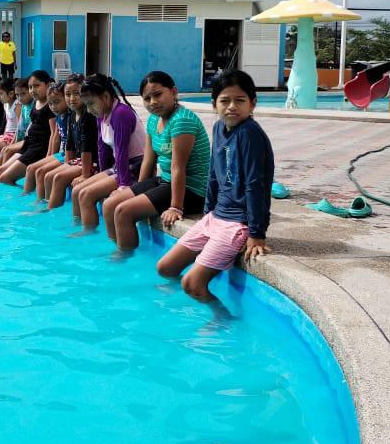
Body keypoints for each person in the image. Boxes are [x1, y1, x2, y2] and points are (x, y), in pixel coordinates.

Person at [156, 70, 274, 305]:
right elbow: (213, 174)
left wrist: (257, 234)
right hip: (215, 217)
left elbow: (256, 185)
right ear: (214, 104)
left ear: (252, 104)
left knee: (192, 284)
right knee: (165, 268)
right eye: (225, 101)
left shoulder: (250, 134)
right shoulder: (219, 127)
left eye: (240, 100)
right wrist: (207, 214)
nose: (232, 107)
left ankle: (223, 319)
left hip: (237, 223)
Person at [103, 71, 211, 250]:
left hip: (192, 189)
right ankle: (119, 249)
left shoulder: (182, 120)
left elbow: (178, 168)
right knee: (109, 205)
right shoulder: (154, 119)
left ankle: (125, 259)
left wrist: (175, 207)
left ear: (174, 92)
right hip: (166, 181)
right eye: (147, 98)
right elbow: (148, 159)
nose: (153, 102)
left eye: (158, 94)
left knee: (123, 212)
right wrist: (137, 189)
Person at [70, 74, 146, 230]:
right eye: (87, 105)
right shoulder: (102, 114)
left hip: (136, 167)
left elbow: (121, 150)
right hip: (120, 166)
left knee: (86, 195)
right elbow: (102, 147)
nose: (89, 110)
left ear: (105, 96)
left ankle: (89, 234)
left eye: (91, 104)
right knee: (77, 191)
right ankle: (79, 228)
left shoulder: (121, 114)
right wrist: (102, 173)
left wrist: (123, 186)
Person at [44, 75, 97, 209]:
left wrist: (84, 175)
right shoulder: (73, 114)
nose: (71, 98)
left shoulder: (88, 115)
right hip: (79, 160)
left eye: (76, 94)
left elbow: (87, 147)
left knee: (58, 178)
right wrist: (67, 165)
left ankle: (51, 210)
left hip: (92, 162)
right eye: (67, 94)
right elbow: (70, 144)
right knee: (49, 175)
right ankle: (47, 205)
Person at [0, 70, 54, 185]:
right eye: (30, 87)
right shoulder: (36, 103)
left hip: (38, 149)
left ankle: (14, 195)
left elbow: (54, 134)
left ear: (48, 85)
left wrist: (49, 157)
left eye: (37, 86)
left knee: (5, 178)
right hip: (28, 144)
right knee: (0, 171)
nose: (33, 90)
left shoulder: (51, 106)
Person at [24, 81, 70, 196]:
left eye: (57, 102)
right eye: (50, 104)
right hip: (61, 154)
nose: (53, 107)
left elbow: (70, 144)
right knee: (31, 169)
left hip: (68, 155)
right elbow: (56, 137)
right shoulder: (59, 116)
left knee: (42, 172)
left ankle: (44, 202)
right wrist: (49, 157)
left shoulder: (70, 117)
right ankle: (28, 196)